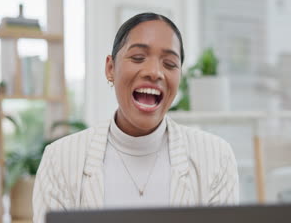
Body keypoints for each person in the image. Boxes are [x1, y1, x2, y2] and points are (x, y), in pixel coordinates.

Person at [33, 13, 239, 223]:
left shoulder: (216, 158)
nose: (154, 72)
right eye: (138, 58)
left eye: (169, 64)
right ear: (110, 68)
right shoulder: (59, 159)